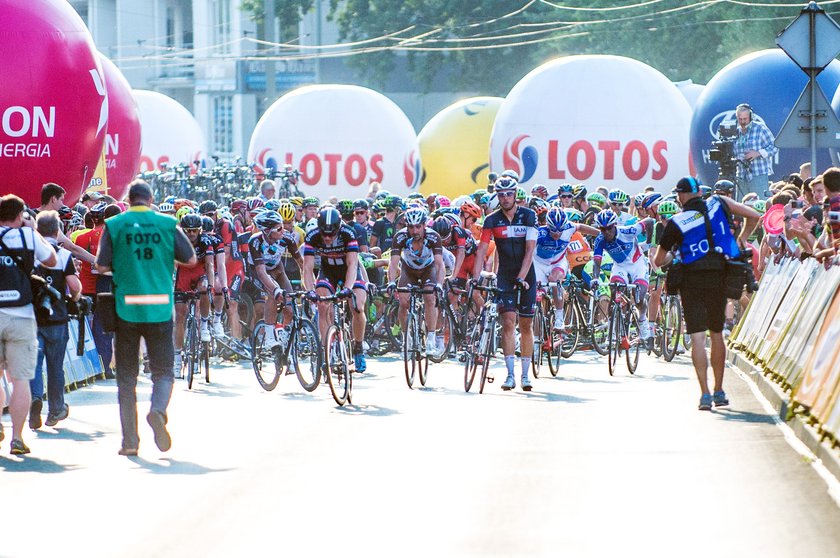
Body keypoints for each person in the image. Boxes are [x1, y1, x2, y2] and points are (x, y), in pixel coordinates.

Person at [95, 180, 196, 456]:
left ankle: (129, 442)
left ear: (128, 200)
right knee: (163, 372)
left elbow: (101, 265)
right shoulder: (166, 223)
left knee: (126, 378)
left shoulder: (114, 225)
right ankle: (158, 411)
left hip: (126, 309)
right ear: (151, 199)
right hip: (160, 309)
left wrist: (123, 267)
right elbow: (190, 259)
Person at [652, 176, 760, 411]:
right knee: (717, 333)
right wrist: (741, 239)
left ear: (680, 196)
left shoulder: (677, 221)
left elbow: (659, 261)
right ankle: (720, 390)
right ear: (700, 192)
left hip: (691, 279)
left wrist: (674, 255)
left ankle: (704, 394)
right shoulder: (718, 201)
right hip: (720, 274)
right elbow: (754, 215)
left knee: (698, 337)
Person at [0, 194, 57, 455]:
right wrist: (33, 231)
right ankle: (17, 438)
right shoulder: (28, 236)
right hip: (21, 314)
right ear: (20, 215)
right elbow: (52, 260)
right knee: (21, 379)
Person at [472, 176, 538, 391]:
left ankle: (525, 375)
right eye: (501, 195)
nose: (505, 198)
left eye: (509, 194)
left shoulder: (528, 215)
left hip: (526, 274)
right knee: (508, 322)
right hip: (505, 275)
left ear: (515, 194)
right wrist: (475, 276)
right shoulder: (492, 219)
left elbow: (530, 250)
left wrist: (522, 277)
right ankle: (510, 375)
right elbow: (482, 249)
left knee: (526, 325)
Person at [29, 211, 82, 430]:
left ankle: (34, 398)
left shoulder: (29, 253)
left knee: (34, 363)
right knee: (55, 366)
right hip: (58, 318)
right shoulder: (62, 255)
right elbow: (76, 286)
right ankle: (55, 409)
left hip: (32, 317)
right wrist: (73, 299)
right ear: (58, 231)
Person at [303, 207, 368, 372]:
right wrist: (310, 290)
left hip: (349, 271)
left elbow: (353, 264)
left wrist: (347, 288)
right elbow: (307, 267)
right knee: (323, 306)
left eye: (331, 234)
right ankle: (327, 350)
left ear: (339, 228)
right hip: (328, 272)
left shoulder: (348, 233)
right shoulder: (313, 235)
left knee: (357, 307)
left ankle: (358, 347)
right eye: (324, 233)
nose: (326, 237)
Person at [388, 207, 445, 356]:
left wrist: (439, 284)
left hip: (428, 270)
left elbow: (439, 264)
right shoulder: (400, 237)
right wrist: (391, 282)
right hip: (409, 270)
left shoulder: (433, 237)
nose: (414, 231)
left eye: (418, 227)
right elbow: (393, 263)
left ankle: (431, 339)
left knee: (430, 298)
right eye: (411, 227)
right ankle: (406, 338)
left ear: (424, 225)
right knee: (403, 301)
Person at [733, 104, 778, 198]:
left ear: (751, 117)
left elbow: (775, 146)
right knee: (741, 208)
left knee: (759, 205)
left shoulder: (760, 128)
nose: (743, 122)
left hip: (758, 174)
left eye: (745, 118)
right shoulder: (735, 131)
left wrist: (758, 153)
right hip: (741, 175)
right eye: (740, 119)